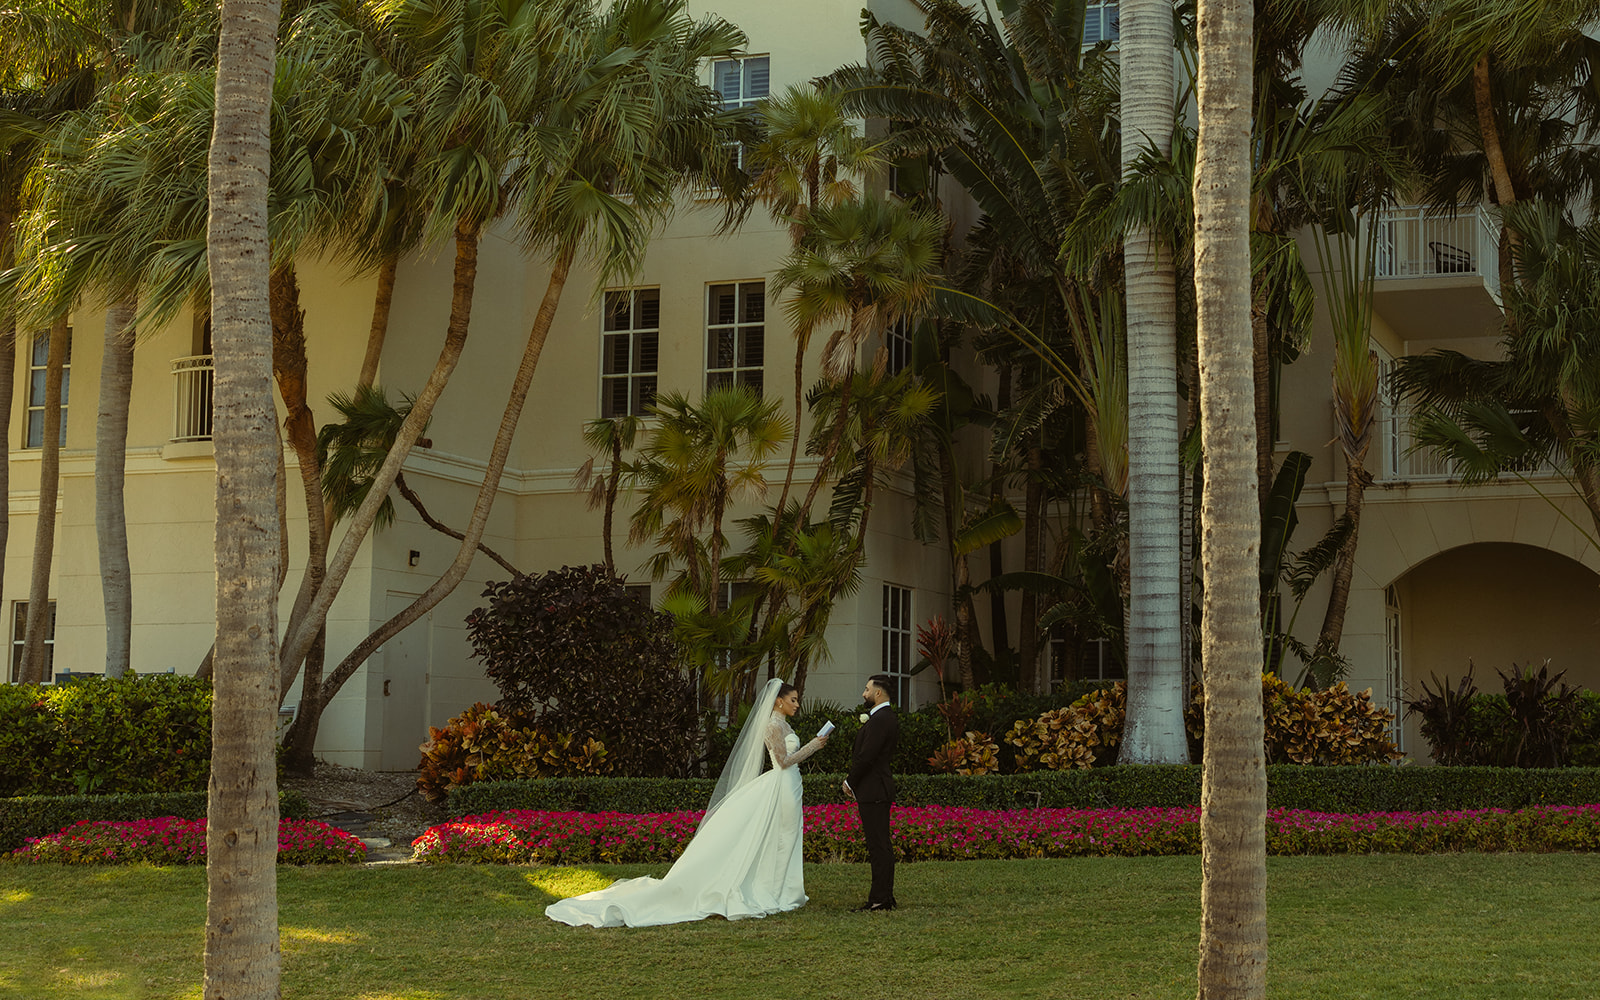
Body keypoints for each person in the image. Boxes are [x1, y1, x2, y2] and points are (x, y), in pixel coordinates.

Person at [545, 677, 828, 927]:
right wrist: (814, 746)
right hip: (780, 783)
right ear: (778, 701)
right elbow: (782, 761)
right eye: (793, 700)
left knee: (786, 837)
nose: (797, 704)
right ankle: (775, 891)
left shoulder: (785, 723)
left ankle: (784, 890)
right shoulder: (772, 726)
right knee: (779, 837)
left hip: (790, 785)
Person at [843, 673, 898, 911]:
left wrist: (850, 782)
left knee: (878, 846)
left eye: (867, 689)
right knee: (880, 844)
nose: (863, 694)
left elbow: (867, 756)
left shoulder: (881, 719)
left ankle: (880, 899)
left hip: (874, 789)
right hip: (876, 788)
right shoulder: (884, 718)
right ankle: (884, 896)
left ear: (878, 693)